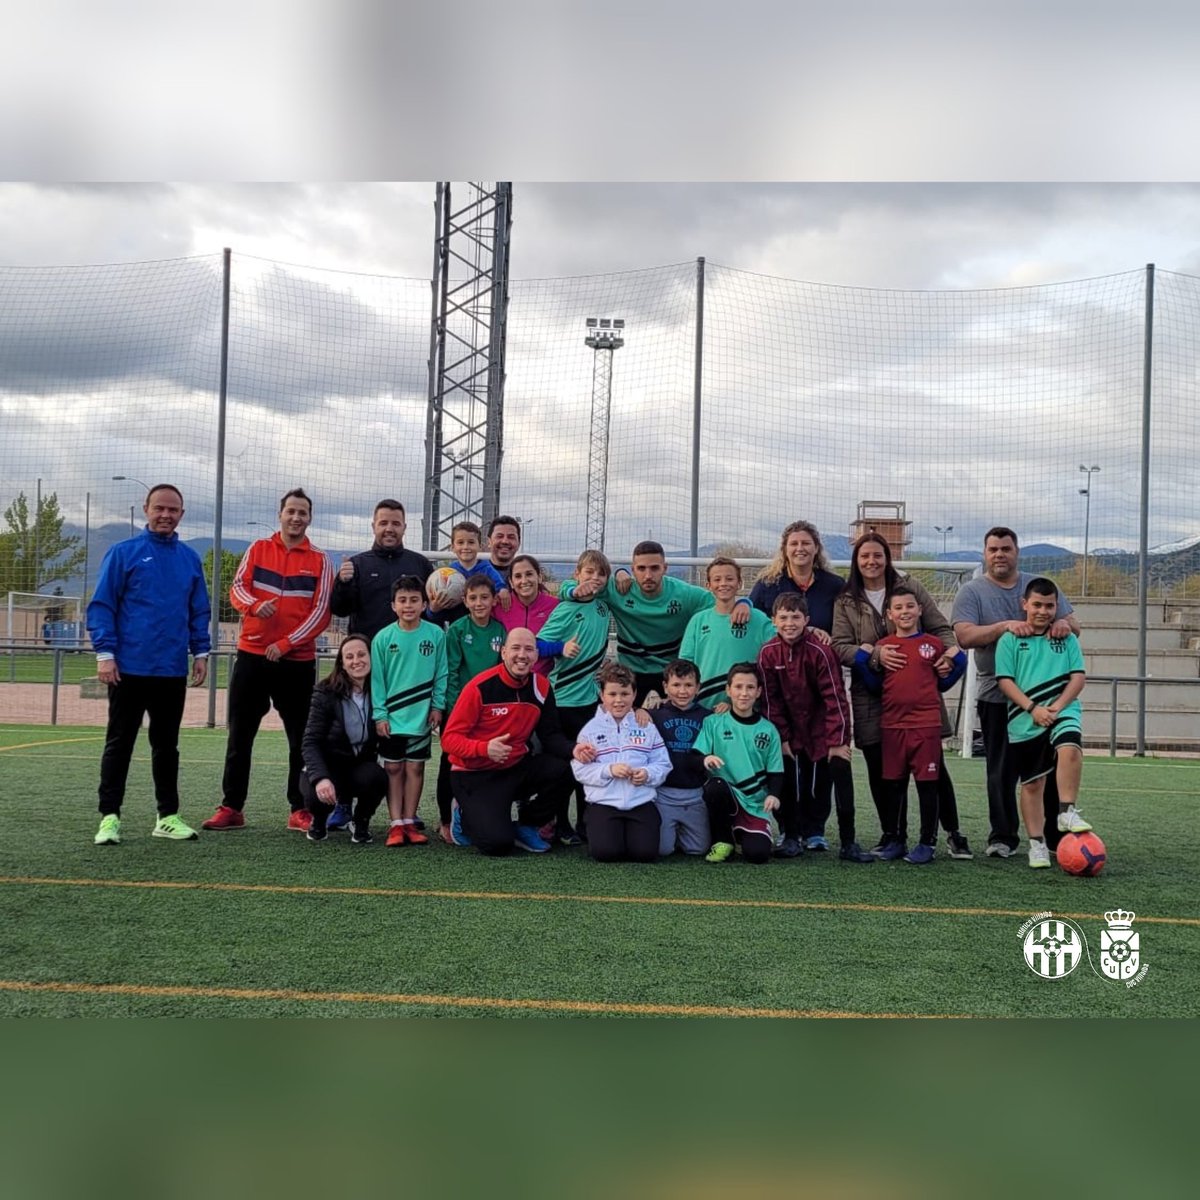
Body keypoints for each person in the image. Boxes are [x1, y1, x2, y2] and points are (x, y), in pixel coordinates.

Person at [831, 532, 971, 859]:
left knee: (934, 770)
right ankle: (892, 835)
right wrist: (876, 656)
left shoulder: (910, 587)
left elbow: (941, 628)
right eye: (864, 556)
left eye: (877, 555)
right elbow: (839, 646)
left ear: (887, 557)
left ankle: (950, 833)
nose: (871, 561)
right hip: (871, 692)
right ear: (856, 560)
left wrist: (947, 657)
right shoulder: (846, 599)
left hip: (918, 694)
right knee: (883, 769)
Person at [203, 488, 332, 833]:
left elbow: (321, 613)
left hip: (297, 662)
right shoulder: (258, 549)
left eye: (302, 513)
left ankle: (299, 808)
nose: (296, 517)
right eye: (291, 511)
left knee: (301, 740)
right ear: (280, 514)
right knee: (240, 736)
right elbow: (237, 587)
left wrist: (288, 643)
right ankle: (232, 806)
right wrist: (253, 605)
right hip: (251, 657)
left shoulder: (320, 560)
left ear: (309, 518)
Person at [88, 483, 210, 845]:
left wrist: (200, 652)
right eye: (159, 508)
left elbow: (198, 610)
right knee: (119, 743)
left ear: (181, 514)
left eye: (173, 510)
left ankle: (167, 815)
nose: (165, 515)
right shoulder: (123, 553)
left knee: (166, 746)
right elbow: (102, 606)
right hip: (127, 669)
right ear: (146, 509)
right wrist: (105, 654)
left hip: (171, 671)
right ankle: (109, 817)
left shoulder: (189, 559)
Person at [952, 527, 1079, 857]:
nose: (999, 554)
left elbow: (1073, 627)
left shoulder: (1039, 585)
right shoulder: (972, 591)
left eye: (1005, 548)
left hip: (1046, 699)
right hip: (998, 694)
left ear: (1017, 552)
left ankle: (1053, 837)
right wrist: (1005, 625)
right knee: (1001, 769)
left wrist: (1063, 624)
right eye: (993, 549)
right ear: (984, 553)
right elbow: (964, 636)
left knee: (1046, 768)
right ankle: (1003, 837)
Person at [558, 539, 751, 706]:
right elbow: (572, 585)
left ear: (665, 568)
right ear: (633, 570)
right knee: (615, 714)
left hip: (670, 671)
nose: (648, 575)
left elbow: (721, 599)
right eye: (641, 569)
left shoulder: (684, 594)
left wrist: (744, 602)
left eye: (654, 568)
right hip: (631, 670)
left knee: (675, 721)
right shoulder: (618, 589)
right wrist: (573, 591)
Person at [439, 627, 576, 856]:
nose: (522, 655)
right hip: (474, 774)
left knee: (568, 769)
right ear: (503, 652)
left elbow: (551, 736)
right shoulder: (479, 687)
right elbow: (449, 740)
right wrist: (484, 748)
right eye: (515, 648)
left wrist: (576, 749)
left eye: (529, 649)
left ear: (536, 655)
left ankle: (527, 824)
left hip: (514, 768)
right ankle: (463, 812)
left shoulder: (541, 686)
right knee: (497, 845)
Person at [757, 593, 873, 862]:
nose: (789, 623)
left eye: (795, 617)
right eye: (783, 617)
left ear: (806, 620)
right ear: (774, 621)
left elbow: (834, 697)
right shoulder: (767, 653)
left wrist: (839, 739)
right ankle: (790, 835)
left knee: (831, 776)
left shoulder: (821, 650)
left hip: (822, 728)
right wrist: (781, 737)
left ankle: (846, 841)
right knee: (788, 780)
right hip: (789, 730)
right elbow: (770, 701)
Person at [856, 585, 966, 864]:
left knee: (928, 785)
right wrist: (862, 658)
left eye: (909, 606)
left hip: (926, 726)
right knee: (895, 786)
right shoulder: (884, 647)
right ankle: (896, 840)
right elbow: (875, 686)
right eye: (899, 608)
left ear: (919, 610)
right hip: (892, 726)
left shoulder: (932, 645)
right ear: (890, 614)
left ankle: (927, 843)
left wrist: (959, 659)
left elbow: (942, 682)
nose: (905, 612)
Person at [995, 577, 1091, 869]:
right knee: (1033, 783)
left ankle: (1066, 810)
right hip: (1025, 717)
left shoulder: (1067, 638)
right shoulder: (1010, 639)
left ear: (1057, 607)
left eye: (1050, 606)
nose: (1043, 611)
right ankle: (1037, 843)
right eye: (1037, 604)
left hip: (1062, 709)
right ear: (1025, 604)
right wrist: (1033, 708)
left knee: (1070, 748)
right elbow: (1005, 681)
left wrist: (1058, 707)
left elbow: (1078, 677)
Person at [536, 548, 616, 841]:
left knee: (592, 763)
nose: (594, 578)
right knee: (563, 766)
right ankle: (558, 823)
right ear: (576, 575)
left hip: (590, 702)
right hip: (562, 701)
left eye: (601, 574)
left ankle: (586, 823)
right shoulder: (565, 608)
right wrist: (560, 648)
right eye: (589, 572)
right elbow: (535, 645)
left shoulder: (604, 607)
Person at [371, 576, 448, 847]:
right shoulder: (383, 638)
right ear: (393, 605)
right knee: (393, 768)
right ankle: (395, 824)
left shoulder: (436, 635)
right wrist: (380, 714)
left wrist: (437, 705)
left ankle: (409, 820)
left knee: (415, 768)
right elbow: (377, 681)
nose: (408, 605)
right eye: (402, 600)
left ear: (424, 604)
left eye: (414, 600)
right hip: (392, 717)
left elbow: (442, 673)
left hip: (422, 716)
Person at [571, 663, 672, 862]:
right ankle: (600, 828)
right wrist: (609, 770)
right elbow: (580, 770)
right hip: (603, 803)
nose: (618, 700)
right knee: (606, 853)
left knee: (645, 854)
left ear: (634, 695)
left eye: (625, 694)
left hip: (640, 801)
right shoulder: (590, 729)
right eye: (612, 694)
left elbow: (663, 763)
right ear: (602, 695)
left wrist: (647, 774)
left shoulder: (646, 727)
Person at [299, 633, 388, 845]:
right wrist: (321, 778)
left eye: (361, 654)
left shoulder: (380, 691)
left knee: (378, 777)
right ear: (342, 663)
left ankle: (361, 822)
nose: (356, 661)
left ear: (371, 657)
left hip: (355, 766)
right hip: (328, 765)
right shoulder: (325, 692)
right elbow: (310, 741)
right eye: (349, 657)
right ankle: (319, 821)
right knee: (315, 793)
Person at [436, 575, 505, 844]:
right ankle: (445, 820)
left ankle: (473, 815)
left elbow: (501, 673)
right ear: (464, 601)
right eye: (473, 598)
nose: (479, 603)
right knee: (449, 763)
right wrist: (453, 711)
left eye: (484, 597)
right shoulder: (456, 630)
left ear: (494, 600)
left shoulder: (500, 631)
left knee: (484, 763)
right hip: (459, 712)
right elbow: (451, 672)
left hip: (489, 712)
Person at [696, 663, 784, 866]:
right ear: (728, 690)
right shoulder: (713, 722)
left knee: (758, 856)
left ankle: (741, 831)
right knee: (714, 786)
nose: (744, 693)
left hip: (754, 805)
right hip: (726, 795)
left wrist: (774, 794)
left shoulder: (768, 730)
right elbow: (694, 755)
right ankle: (723, 839)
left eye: (750, 687)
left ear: (759, 692)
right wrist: (704, 759)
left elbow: (776, 772)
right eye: (738, 687)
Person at [678, 557, 774, 710]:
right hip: (703, 705)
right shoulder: (698, 620)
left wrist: (810, 630)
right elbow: (685, 664)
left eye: (729, 579)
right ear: (708, 585)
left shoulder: (758, 619)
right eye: (717, 579)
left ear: (739, 583)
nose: (723, 583)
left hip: (744, 707)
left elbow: (782, 642)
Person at [330, 499, 433, 641]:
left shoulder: (421, 564)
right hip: (369, 652)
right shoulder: (356, 565)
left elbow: (431, 612)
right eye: (383, 523)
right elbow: (340, 610)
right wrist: (343, 583)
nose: (389, 529)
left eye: (396, 524)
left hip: (410, 651)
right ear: (374, 527)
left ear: (404, 528)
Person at [646, 659, 711, 857]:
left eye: (689, 685)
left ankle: (682, 830)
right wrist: (641, 710)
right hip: (664, 795)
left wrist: (725, 706)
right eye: (676, 685)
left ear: (698, 687)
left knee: (698, 849)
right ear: (665, 686)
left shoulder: (708, 717)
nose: (682, 691)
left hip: (694, 795)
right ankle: (671, 830)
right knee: (662, 850)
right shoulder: (655, 714)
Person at [749, 520, 843, 636]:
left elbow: (845, 628)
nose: (800, 548)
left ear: (816, 548)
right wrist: (742, 604)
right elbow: (753, 621)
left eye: (806, 543)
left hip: (822, 652)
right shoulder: (768, 584)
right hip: (778, 653)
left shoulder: (835, 585)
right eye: (794, 544)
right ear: (785, 550)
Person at [426, 521, 511, 628]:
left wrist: (503, 590)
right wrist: (433, 609)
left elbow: (500, 585)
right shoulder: (448, 572)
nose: (466, 547)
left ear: (480, 546)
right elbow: (434, 615)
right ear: (452, 547)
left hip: (482, 624)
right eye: (460, 542)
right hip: (458, 627)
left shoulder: (487, 568)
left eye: (471, 542)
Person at [494, 553, 558, 677]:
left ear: (539, 577)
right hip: (508, 680)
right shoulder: (499, 605)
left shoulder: (555, 607)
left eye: (529, 574)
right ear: (511, 583)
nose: (524, 581)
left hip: (543, 680)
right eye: (518, 576)